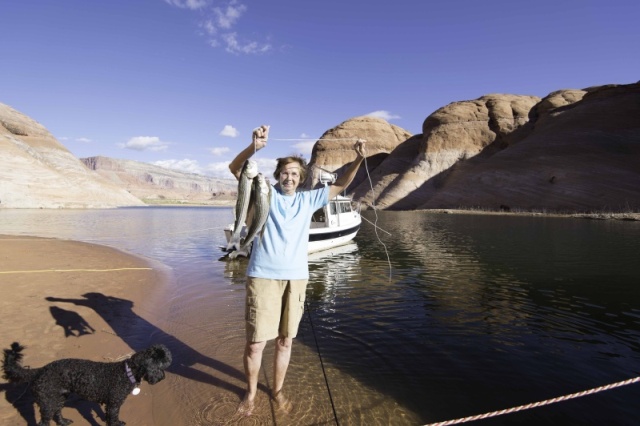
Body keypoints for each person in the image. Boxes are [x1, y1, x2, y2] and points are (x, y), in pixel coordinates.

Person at [228, 125, 366, 416]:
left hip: (296, 278)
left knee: (285, 340)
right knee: (255, 344)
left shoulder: (308, 199)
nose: (289, 177)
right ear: (277, 175)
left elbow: (341, 185)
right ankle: (251, 393)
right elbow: (236, 168)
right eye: (284, 172)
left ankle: (276, 391)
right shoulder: (263, 192)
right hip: (263, 275)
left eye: (294, 174)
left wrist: (358, 160)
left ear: (300, 178)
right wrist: (254, 147)